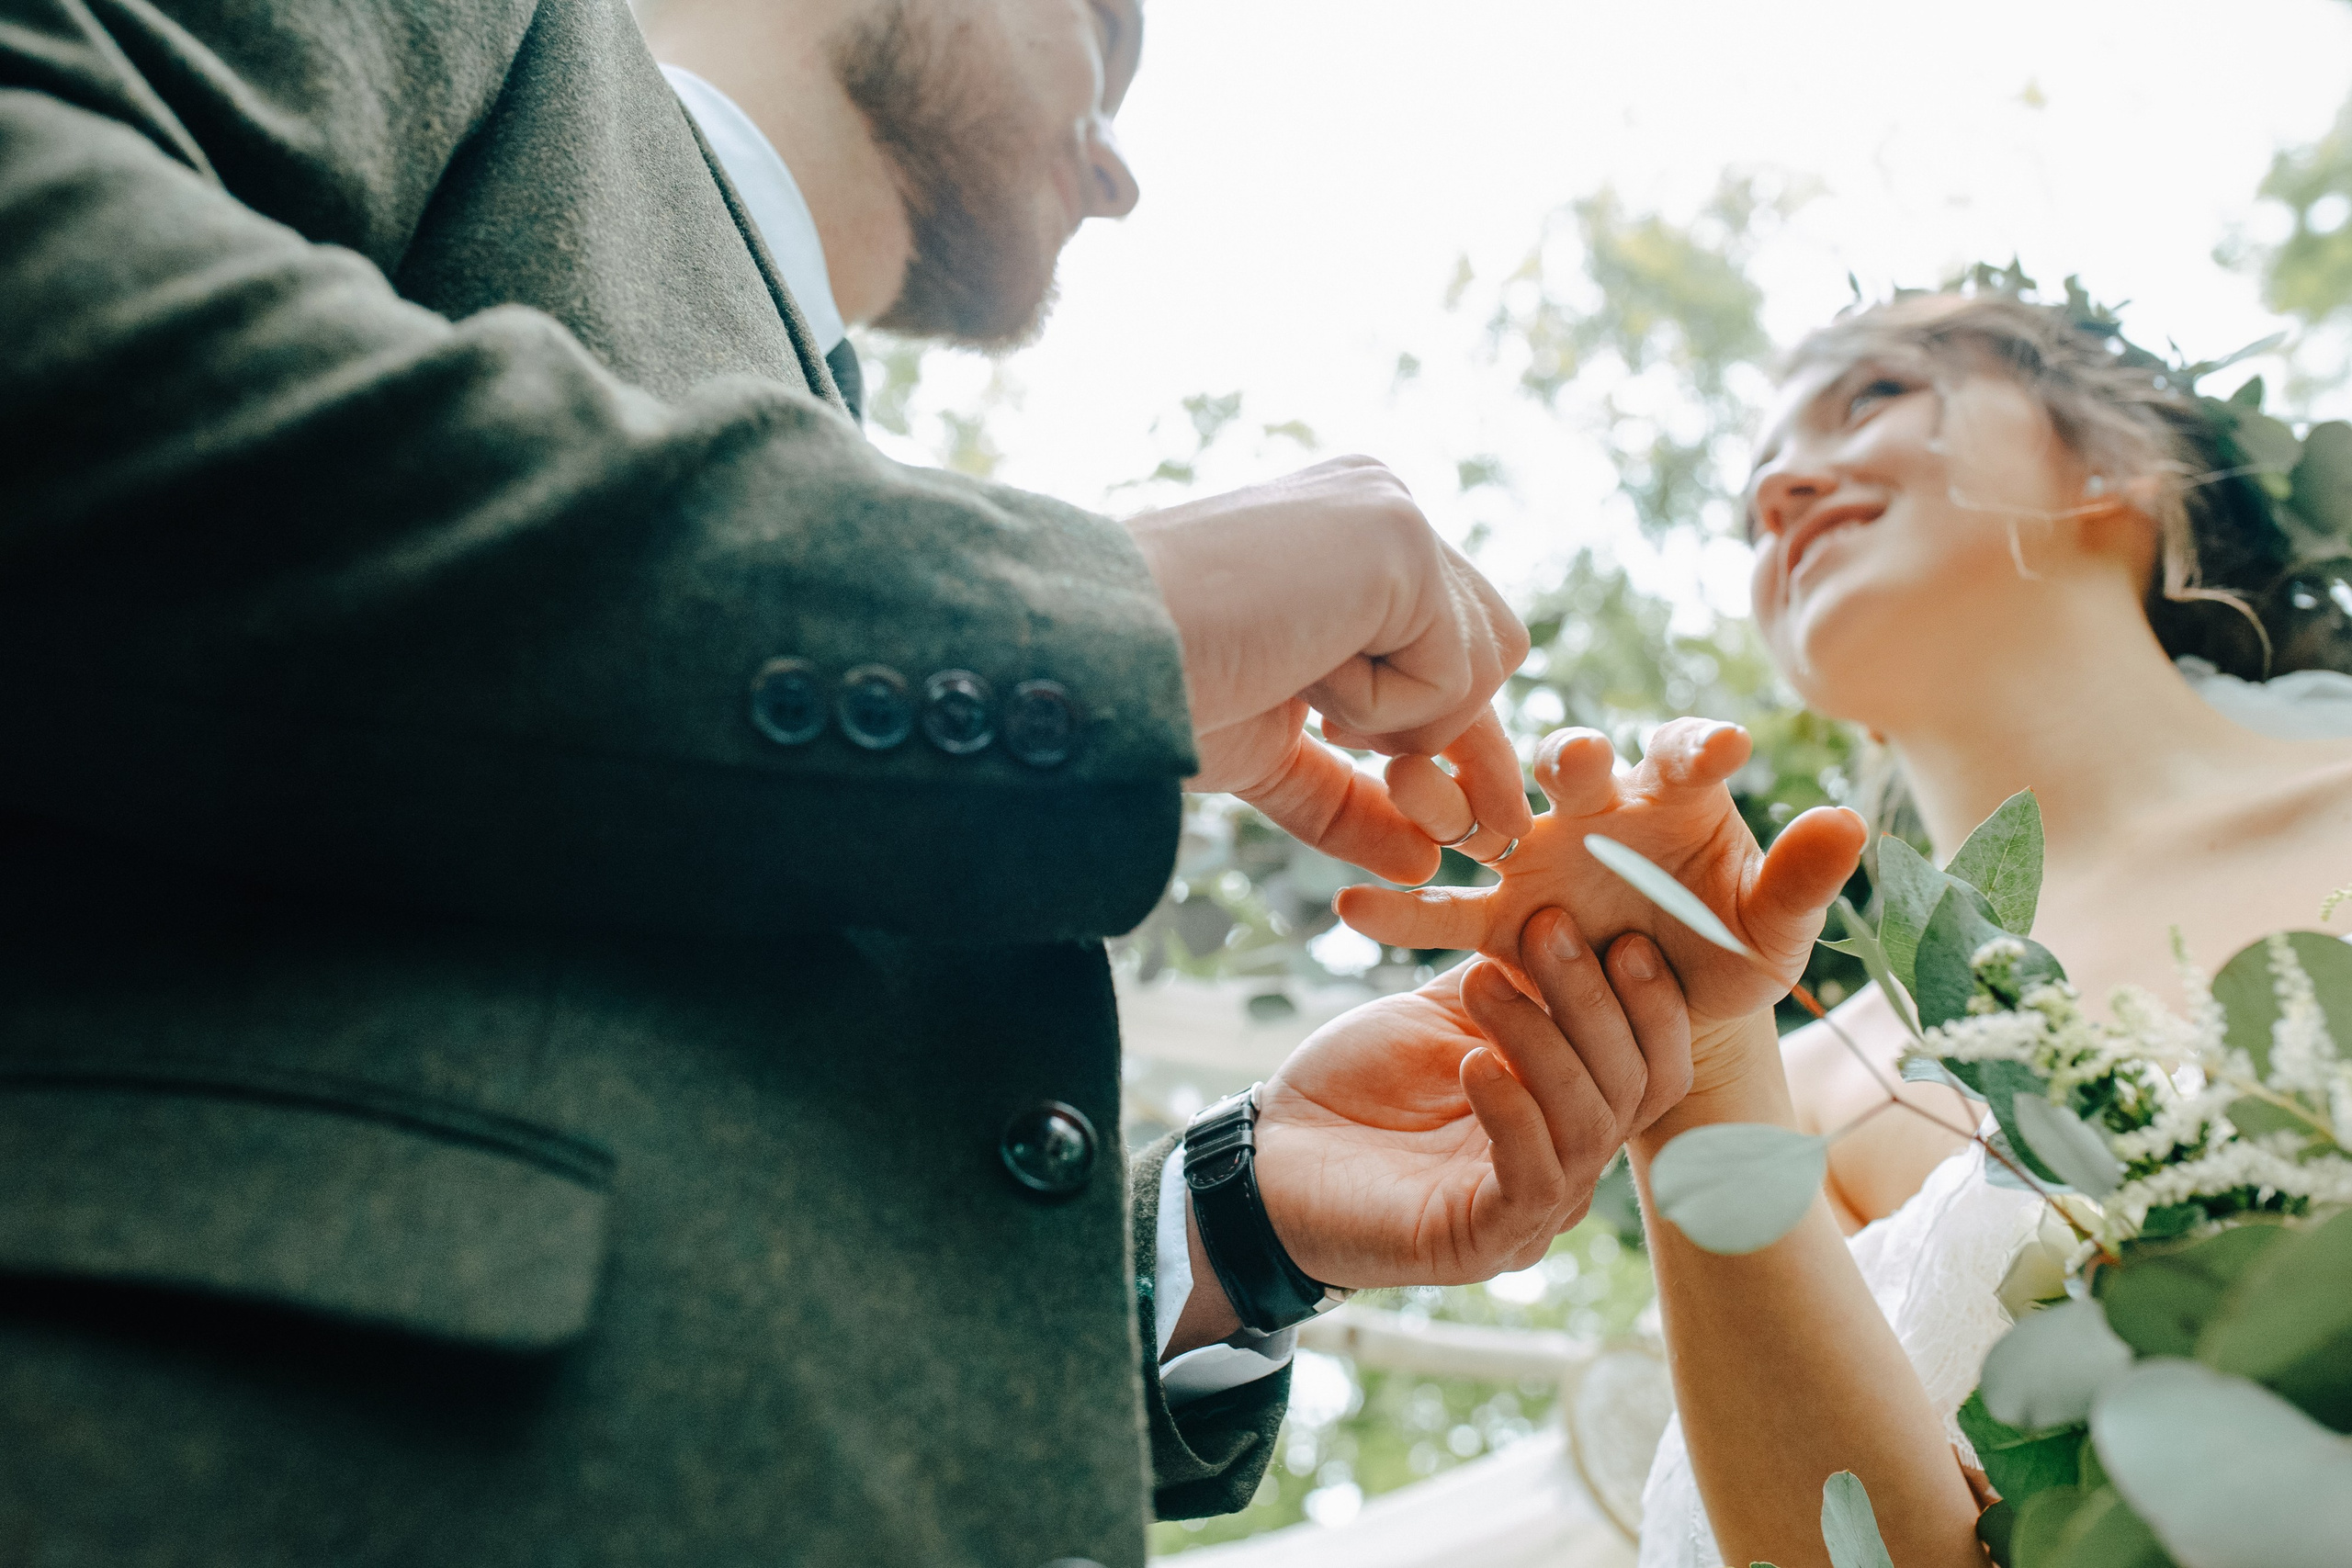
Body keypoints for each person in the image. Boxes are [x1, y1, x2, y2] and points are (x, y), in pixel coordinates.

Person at [0, 0, 1675, 1563]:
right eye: (1100, 34)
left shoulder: (834, 466)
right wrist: (1102, 618)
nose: (1117, 163)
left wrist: (1230, 1231)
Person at [1338, 289, 2352, 1567]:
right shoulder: (1795, 1083)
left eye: (1875, 396)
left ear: (2122, 465)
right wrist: (1689, 1061)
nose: (1779, 495)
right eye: (1753, 489)